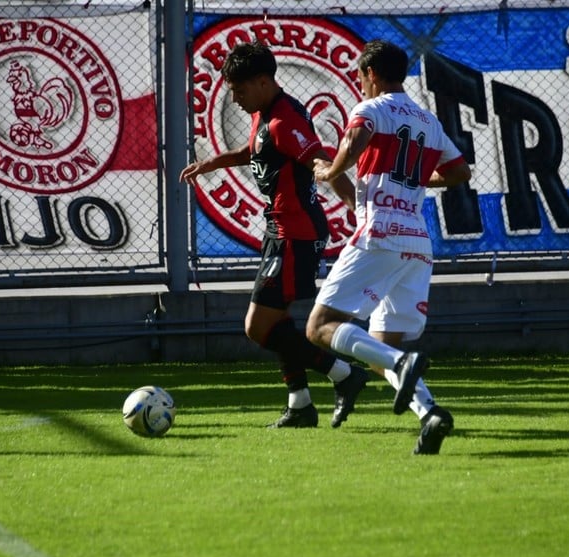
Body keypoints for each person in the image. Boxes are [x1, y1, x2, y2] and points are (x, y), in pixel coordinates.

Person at [179, 41, 367, 428]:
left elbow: (322, 162)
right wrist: (216, 161)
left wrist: (358, 210)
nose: (235, 97)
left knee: (257, 326)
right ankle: (300, 405)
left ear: (264, 82)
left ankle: (345, 375)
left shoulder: (285, 120)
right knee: (276, 323)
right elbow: (256, 151)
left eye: (240, 89)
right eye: (231, 90)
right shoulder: (265, 112)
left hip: (296, 235)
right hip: (279, 230)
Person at [307, 40, 472, 454]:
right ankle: (431, 414)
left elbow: (357, 135)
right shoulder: (427, 120)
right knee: (384, 345)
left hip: (379, 233)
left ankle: (402, 365)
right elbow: (459, 171)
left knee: (319, 326)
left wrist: (332, 169)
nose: (360, 84)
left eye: (361, 77)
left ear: (372, 74)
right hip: (416, 242)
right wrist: (420, 182)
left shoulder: (372, 108)